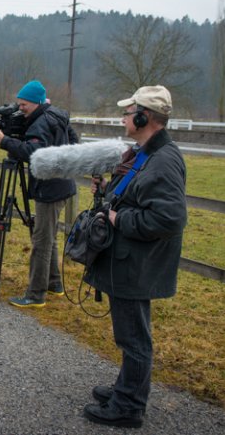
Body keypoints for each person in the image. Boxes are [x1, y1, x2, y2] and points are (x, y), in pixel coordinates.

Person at [82, 85, 187, 428]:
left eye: (128, 113)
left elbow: (169, 218)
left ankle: (128, 407)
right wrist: (107, 193)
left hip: (138, 263)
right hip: (128, 259)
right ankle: (126, 389)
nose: (123, 118)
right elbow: (137, 193)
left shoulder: (164, 159)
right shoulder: (145, 153)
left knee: (134, 337)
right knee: (129, 333)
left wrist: (118, 219)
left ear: (145, 117)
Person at [0, 80, 78, 308]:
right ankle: (54, 283)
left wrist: (5, 141)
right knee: (48, 236)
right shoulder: (57, 116)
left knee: (41, 241)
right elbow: (74, 141)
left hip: (49, 187)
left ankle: (35, 295)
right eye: (19, 105)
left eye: (24, 105)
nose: (21, 109)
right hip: (62, 184)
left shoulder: (40, 124)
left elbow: (33, 153)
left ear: (37, 102)